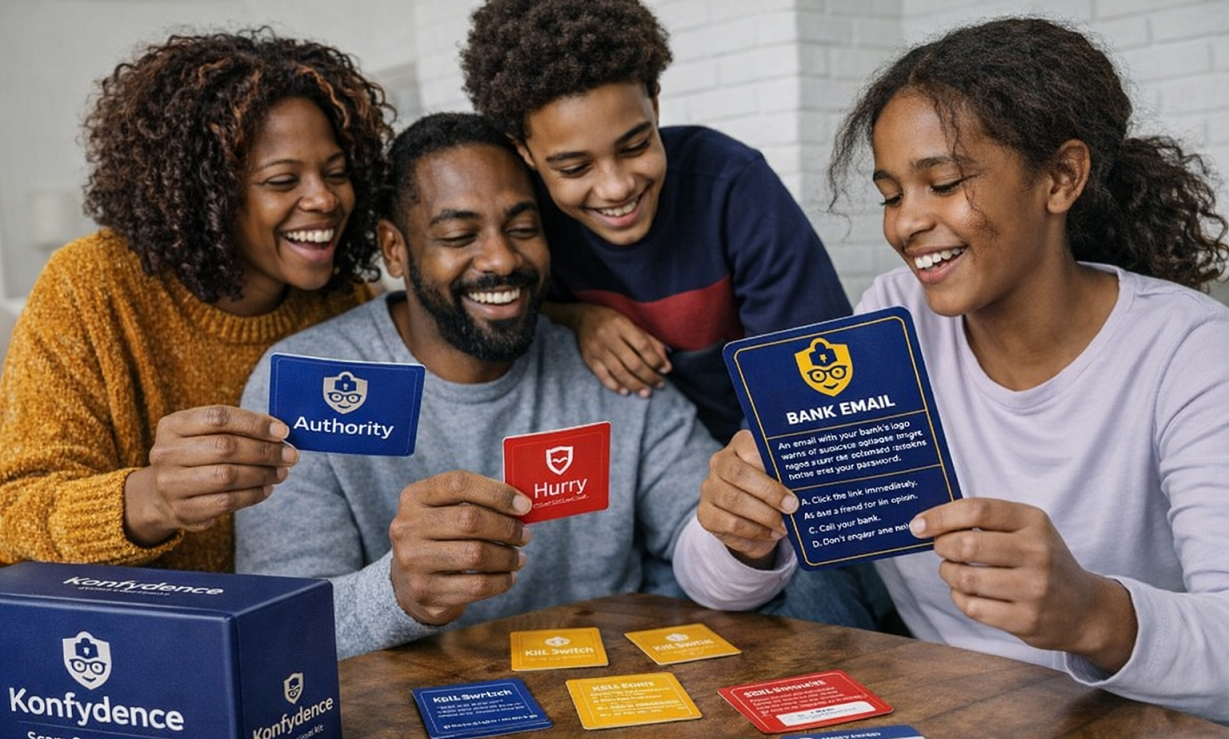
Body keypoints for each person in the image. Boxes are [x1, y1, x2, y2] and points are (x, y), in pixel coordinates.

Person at [673, 17, 1229, 723]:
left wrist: (1095, 613)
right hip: (938, 706)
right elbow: (711, 586)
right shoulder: (891, 320)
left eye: (942, 182)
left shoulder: (1189, 350)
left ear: (1060, 178)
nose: (906, 222)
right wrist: (734, 533)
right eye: (891, 194)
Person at [234, 112, 718, 659]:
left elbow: (700, 533)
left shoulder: (603, 358)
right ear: (394, 249)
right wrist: (398, 593)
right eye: (459, 235)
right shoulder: (304, 379)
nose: (501, 259)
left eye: (522, 228)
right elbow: (280, 628)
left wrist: (742, 533)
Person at [0, 29, 393, 571]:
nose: (324, 199)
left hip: (298, 633)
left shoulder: (345, 300)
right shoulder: (90, 287)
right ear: (208, 191)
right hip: (133, 642)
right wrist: (153, 499)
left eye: (337, 173)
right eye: (283, 180)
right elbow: (12, 515)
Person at [460, 0, 852, 445]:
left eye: (635, 146)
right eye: (574, 169)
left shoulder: (731, 185)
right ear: (525, 151)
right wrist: (577, 318)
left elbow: (815, 376)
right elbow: (477, 311)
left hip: (765, 456)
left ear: (655, 104)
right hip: (637, 473)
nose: (615, 188)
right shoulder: (524, 220)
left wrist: (746, 473)